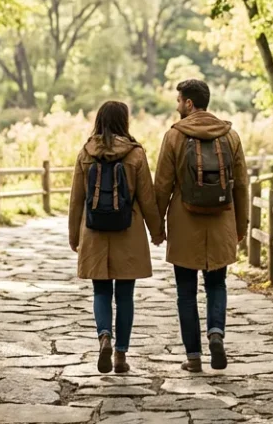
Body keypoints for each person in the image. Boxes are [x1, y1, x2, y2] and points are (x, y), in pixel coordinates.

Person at [154, 79, 249, 372]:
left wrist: (157, 227)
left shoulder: (174, 136)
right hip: (221, 220)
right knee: (216, 284)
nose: (177, 105)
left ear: (189, 104)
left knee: (186, 291)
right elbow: (242, 186)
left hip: (185, 222)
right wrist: (240, 225)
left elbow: (162, 186)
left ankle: (193, 357)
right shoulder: (230, 135)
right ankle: (216, 333)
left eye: (179, 100)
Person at [68, 101, 163, 374]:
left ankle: (104, 336)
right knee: (125, 295)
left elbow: (76, 199)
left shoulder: (86, 152)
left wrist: (74, 235)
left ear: (99, 120)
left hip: (94, 232)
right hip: (128, 231)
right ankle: (120, 355)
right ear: (124, 121)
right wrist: (157, 231)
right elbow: (147, 198)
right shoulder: (135, 154)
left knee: (100, 290)